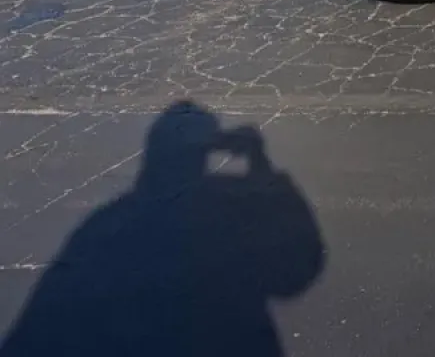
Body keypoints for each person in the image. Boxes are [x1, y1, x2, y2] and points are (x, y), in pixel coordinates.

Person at [0, 101, 325, 357]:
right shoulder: (230, 214)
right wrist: (260, 165)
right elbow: (298, 266)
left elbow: (42, 327)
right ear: (208, 152)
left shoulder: (110, 225)